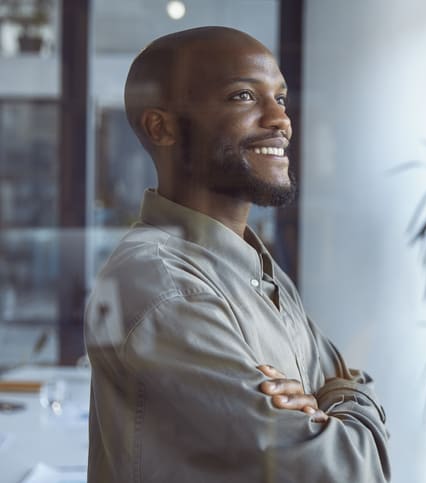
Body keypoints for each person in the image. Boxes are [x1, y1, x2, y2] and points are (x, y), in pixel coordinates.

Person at [84, 26, 390, 483]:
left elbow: (343, 381)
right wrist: (343, 406)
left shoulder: (251, 262)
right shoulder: (168, 287)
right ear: (161, 126)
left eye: (280, 98)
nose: (280, 120)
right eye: (244, 96)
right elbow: (346, 470)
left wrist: (336, 401)